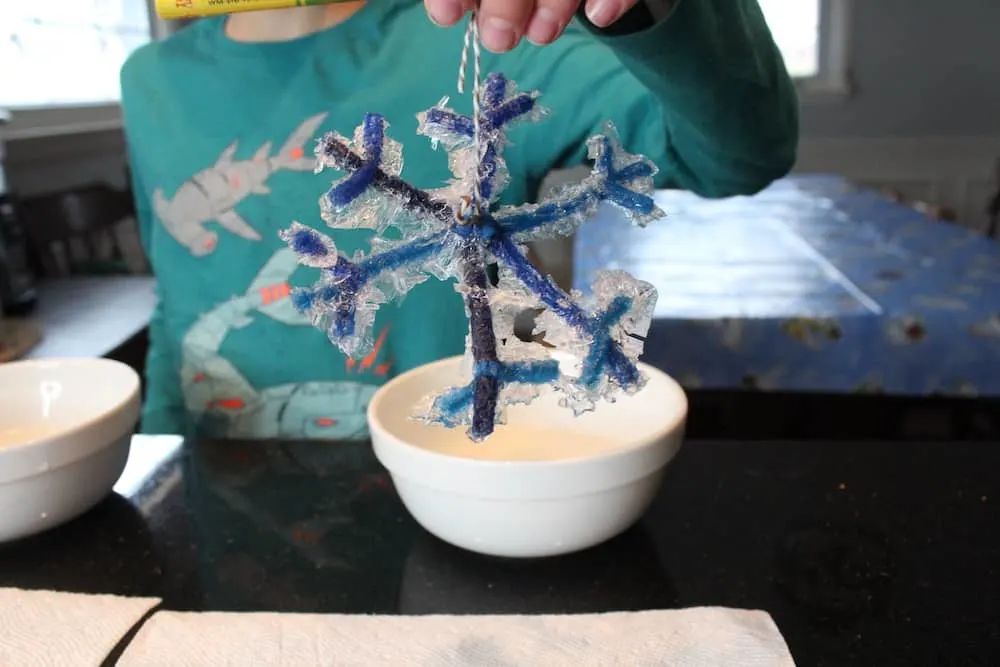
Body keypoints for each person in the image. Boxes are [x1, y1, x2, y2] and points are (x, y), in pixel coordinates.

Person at [121, 0, 798, 440]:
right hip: (219, 494)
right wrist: (156, 448)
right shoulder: (150, 79)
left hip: (448, 490)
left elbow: (736, 156)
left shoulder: (494, 33)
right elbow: (178, 299)